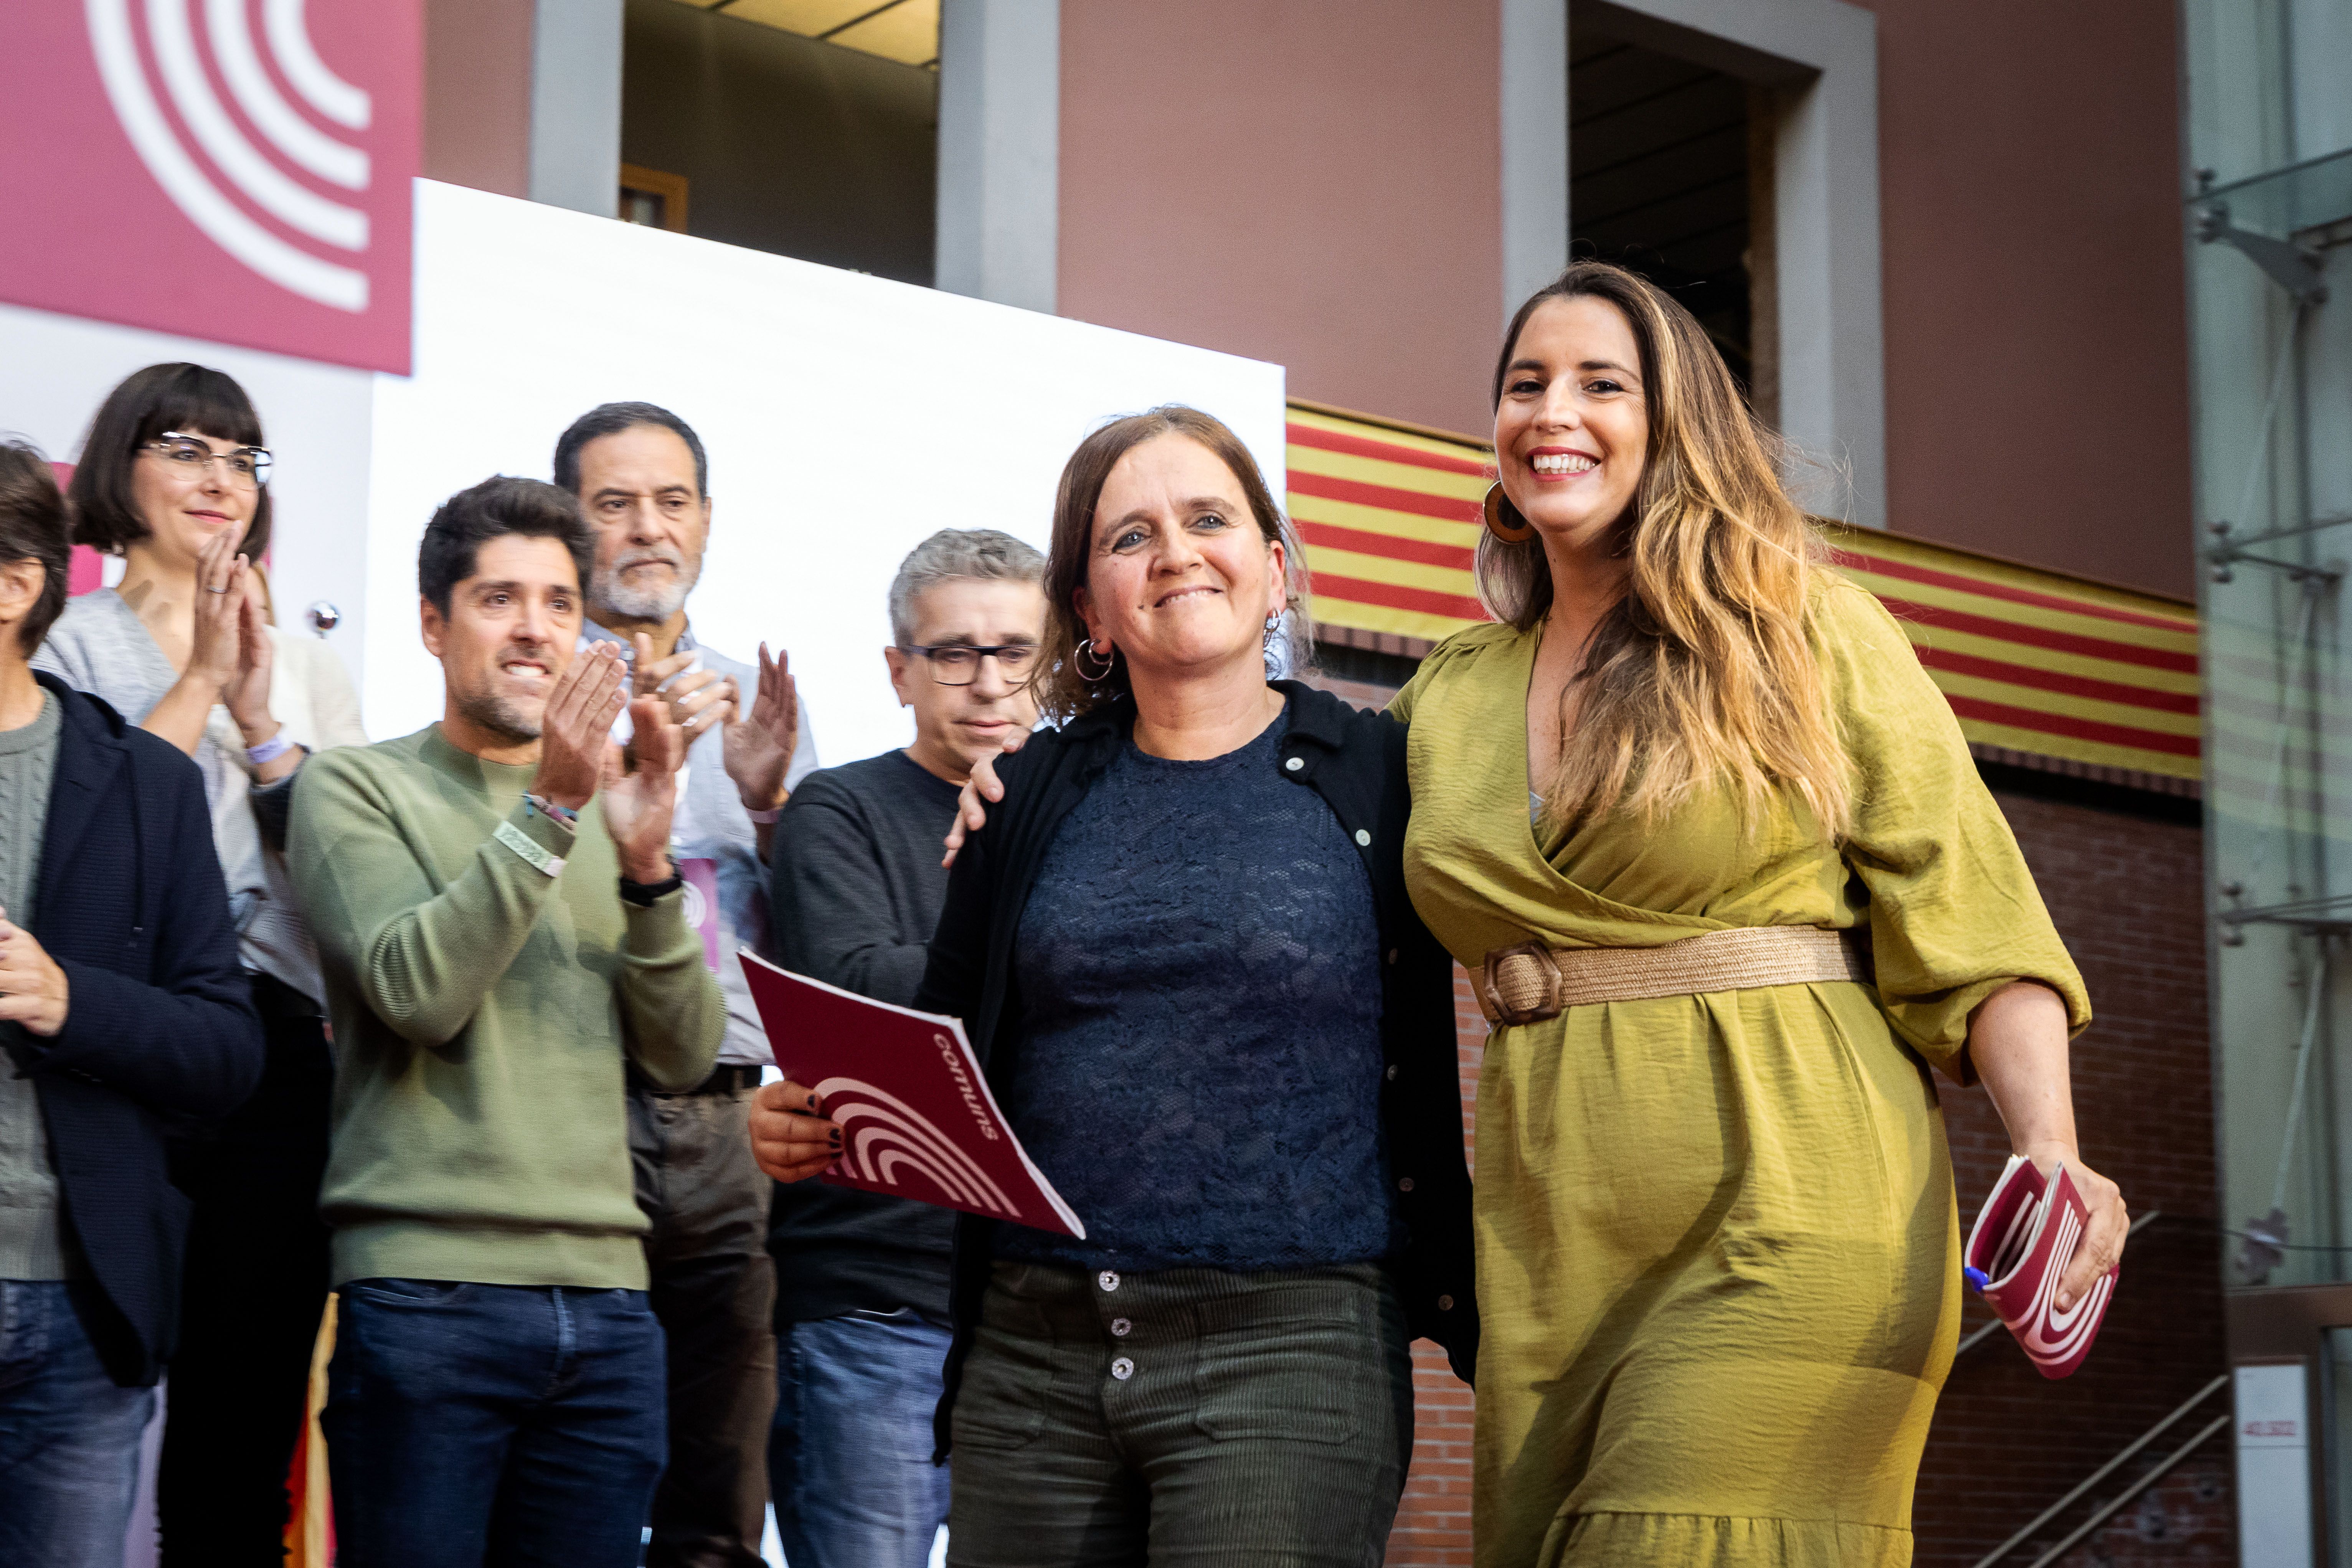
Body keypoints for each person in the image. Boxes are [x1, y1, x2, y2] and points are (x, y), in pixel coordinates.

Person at [1389, 261, 2124, 1566]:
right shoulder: (1443, 696)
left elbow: (1972, 917)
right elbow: (1280, 846)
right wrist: (993, 774)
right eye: (1524, 385)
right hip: (1550, 1233)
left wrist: (2052, 1153)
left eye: (1600, 384)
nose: (1551, 411)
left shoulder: (1807, 631)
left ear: (1676, 429)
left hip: (1795, 1196)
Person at [752, 406, 1477, 1568]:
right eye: (1129, 536)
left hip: (1291, 1346)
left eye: (1208, 519)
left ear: (1276, 569)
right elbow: (944, 1047)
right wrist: (814, 1115)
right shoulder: (1026, 792)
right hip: (1030, 1351)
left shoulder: (1387, 778)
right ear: (1089, 608)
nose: (1177, 552)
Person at [287, 476, 725, 1567]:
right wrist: (554, 810)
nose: (535, 628)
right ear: (434, 624)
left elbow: (683, 1053)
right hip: (426, 1297)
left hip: (614, 1308)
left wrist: (647, 868)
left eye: (560, 604)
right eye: (498, 600)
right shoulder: (355, 788)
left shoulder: (611, 805)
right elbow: (418, 994)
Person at [33, 361, 366, 1562]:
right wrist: (203, 687)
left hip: (277, 1052)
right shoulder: (64, 647)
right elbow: (86, 852)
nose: (218, 480)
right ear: (121, 467)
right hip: (110, 1044)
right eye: (185, 448)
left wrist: (269, 721)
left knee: (240, 1429)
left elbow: (349, 876)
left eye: (241, 457)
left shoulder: (313, 661)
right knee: (77, 1409)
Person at [553, 400, 814, 1568]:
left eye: (671, 502)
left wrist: (768, 800)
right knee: (577, 1470)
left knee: (720, 1485)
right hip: (567, 1108)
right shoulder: (527, 689)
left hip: (729, 1124)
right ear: (570, 525)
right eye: (613, 504)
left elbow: (814, 936)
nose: (646, 529)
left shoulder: (756, 705)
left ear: (706, 521)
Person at [0, 441, 264, 1566]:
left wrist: (72, 1002)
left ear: (15, 587)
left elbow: (225, 1050)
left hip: (81, 1304)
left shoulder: (140, 779)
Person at [764, 527, 1046, 1568]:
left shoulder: (1079, 816)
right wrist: (1053, 966)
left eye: (1015, 650)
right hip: (875, 1301)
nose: (987, 681)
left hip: (1038, 1307)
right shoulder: (838, 810)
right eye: (953, 652)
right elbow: (866, 1005)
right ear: (900, 671)